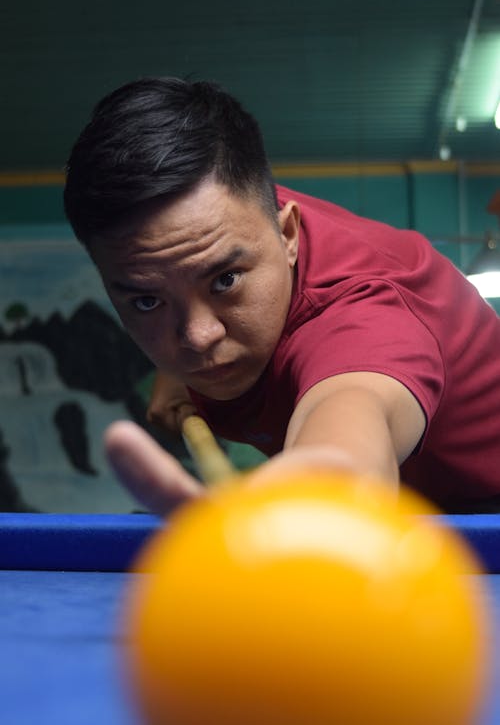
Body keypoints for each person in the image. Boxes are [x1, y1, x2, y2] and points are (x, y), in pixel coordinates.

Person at [63, 76, 500, 515]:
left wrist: (310, 505)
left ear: (287, 233)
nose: (198, 338)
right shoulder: (223, 225)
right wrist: (174, 368)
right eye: (146, 301)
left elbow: (349, 427)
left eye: (225, 280)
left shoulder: (364, 315)